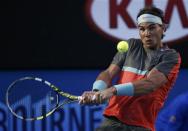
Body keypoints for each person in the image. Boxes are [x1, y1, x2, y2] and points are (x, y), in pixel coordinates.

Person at [80, 6, 181, 131]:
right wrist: (97, 91)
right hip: (112, 121)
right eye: (142, 29)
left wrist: (111, 91)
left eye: (152, 28)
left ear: (163, 28)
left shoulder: (171, 57)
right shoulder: (131, 46)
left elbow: (150, 84)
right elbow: (109, 73)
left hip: (141, 126)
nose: (147, 33)